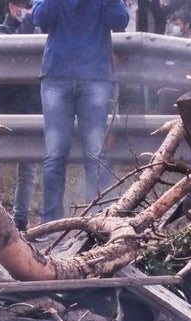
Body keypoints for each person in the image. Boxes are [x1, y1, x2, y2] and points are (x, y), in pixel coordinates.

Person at [32, 0, 130, 222]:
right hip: (58, 76)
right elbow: (40, 19)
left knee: (96, 153)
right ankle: (51, 223)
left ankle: (100, 220)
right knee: (55, 154)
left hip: (94, 77)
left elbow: (120, 21)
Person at [0, 0, 40, 232]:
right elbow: (14, 50)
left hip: (33, 107)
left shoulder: (40, 32)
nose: (28, 10)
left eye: (31, 6)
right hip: (6, 108)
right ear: (11, 8)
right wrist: (29, 21)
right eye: (24, 6)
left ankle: (20, 221)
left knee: (28, 170)